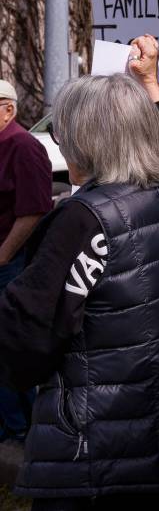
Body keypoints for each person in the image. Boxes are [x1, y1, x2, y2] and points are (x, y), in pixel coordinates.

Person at [0, 36, 159, 509]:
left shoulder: (82, 219)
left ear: (88, 140)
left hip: (95, 450)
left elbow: (27, 338)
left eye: (64, 132)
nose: (61, 142)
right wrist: (151, 84)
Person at [0, 78, 52, 442]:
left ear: (8, 109)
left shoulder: (23, 147)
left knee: (8, 348)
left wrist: (3, 256)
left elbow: (34, 211)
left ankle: (17, 430)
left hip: (10, 265)